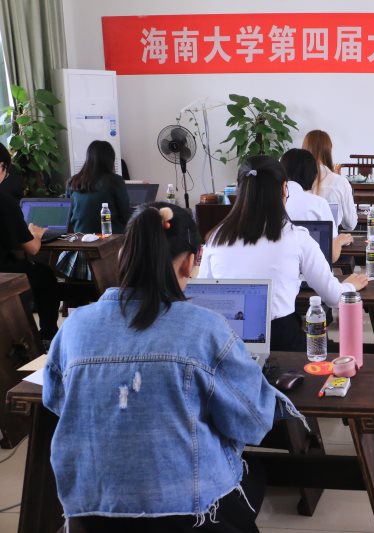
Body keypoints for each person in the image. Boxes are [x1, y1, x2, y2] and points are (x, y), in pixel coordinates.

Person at [43, 202, 299, 532]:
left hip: (90, 513)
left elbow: (57, 402)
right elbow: (252, 421)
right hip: (186, 513)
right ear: (191, 261)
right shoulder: (207, 328)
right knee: (255, 473)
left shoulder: (75, 326)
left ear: (122, 255)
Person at [198, 156, 368, 352]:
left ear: (240, 189)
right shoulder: (296, 237)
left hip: (225, 341)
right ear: (284, 189)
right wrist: (350, 285)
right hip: (280, 340)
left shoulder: (216, 237)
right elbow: (333, 297)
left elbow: (203, 294)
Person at [0, 143, 60, 340]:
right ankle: (48, 336)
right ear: (1, 166)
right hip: (4, 274)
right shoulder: (5, 202)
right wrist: (36, 233)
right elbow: (32, 249)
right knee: (44, 274)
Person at [280, 148, 354, 262]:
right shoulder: (318, 203)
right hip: (312, 268)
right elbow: (331, 253)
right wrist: (340, 240)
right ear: (313, 175)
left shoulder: (266, 203)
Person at [67, 140, 130, 234]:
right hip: (111, 237)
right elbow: (125, 216)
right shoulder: (115, 181)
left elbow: (68, 215)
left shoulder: (73, 181)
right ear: (110, 160)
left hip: (80, 237)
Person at [302, 130, 358, 231]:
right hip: (330, 239)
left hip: (298, 239)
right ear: (329, 150)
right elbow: (350, 224)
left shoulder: (293, 181)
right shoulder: (340, 182)